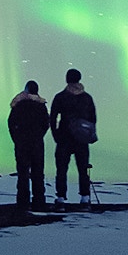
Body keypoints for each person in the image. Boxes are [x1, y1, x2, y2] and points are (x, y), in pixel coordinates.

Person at [50, 68, 96, 207]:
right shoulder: (87, 98)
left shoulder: (60, 97)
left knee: (62, 168)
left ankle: (61, 197)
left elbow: (52, 118)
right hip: (81, 139)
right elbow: (93, 118)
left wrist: (56, 134)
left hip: (64, 137)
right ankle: (85, 197)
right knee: (83, 168)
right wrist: (88, 133)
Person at [7, 80, 49, 210]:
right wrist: (38, 136)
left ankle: (22, 202)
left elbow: (11, 124)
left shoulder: (18, 105)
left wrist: (17, 138)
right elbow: (46, 124)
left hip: (22, 144)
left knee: (23, 173)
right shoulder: (41, 106)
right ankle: (39, 202)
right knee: (38, 173)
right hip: (37, 144)